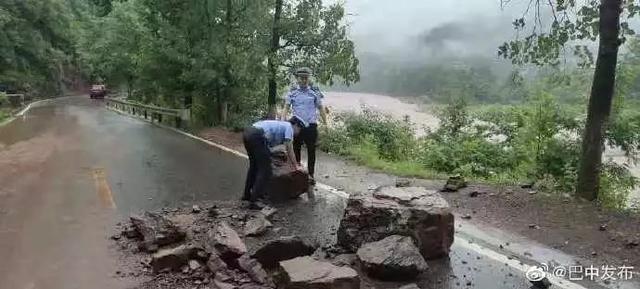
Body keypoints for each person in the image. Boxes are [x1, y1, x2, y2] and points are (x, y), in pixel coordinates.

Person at [242, 116, 306, 209]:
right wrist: (296, 166)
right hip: (257, 136)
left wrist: (273, 154)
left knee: (254, 167)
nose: (298, 133)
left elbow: (267, 147)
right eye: (299, 129)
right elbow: (289, 148)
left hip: (248, 133)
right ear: (296, 125)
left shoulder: (281, 125)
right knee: (266, 171)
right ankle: (254, 201)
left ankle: (247, 195)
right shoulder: (289, 127)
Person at [281, 67, 328, 184]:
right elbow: (286, 108)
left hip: (311, 126)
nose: (303, 80)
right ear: (297, 79)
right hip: (297, 126)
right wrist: (282, 122)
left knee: (311, 150)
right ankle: (298, 173)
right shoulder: (292, 92)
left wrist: (326, 123)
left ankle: (311, 175)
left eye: (306, 78)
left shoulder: (314, 92)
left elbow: (321, 108)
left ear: (309, 78)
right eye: (301, 78)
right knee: (296, 149)